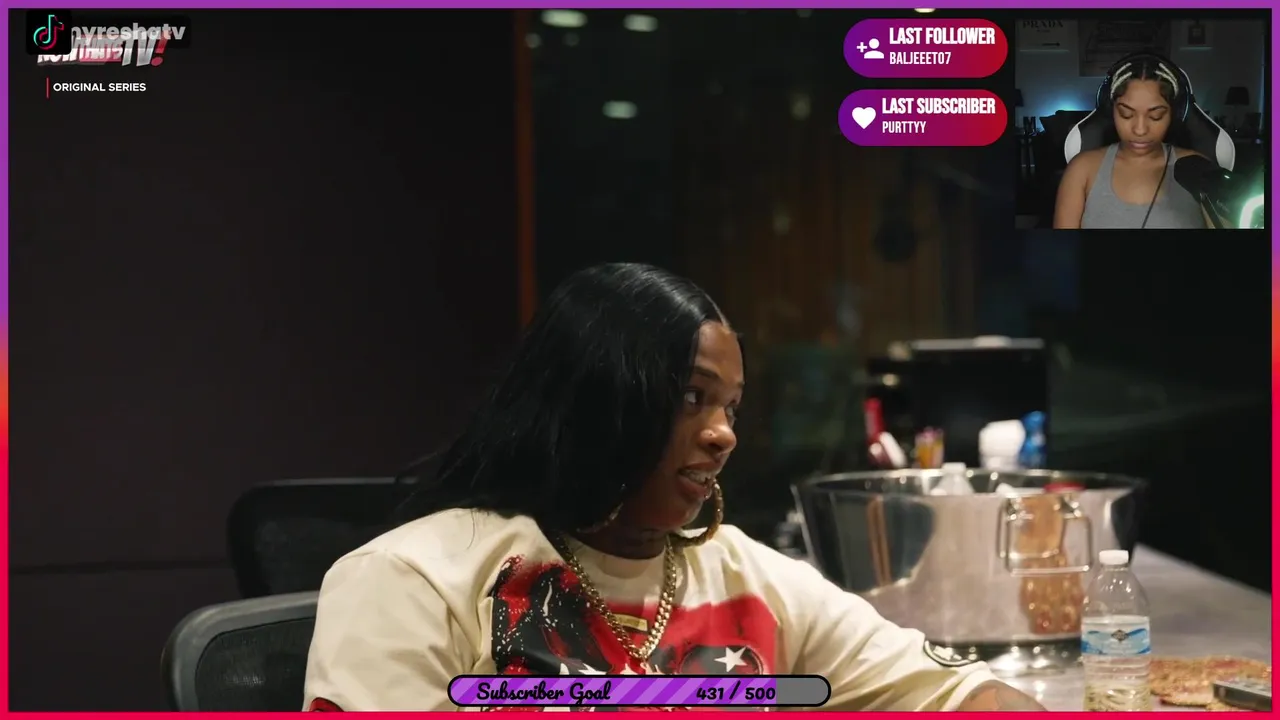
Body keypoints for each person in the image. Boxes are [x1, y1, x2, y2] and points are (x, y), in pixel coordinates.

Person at [302, 263, 1047, 712]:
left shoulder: (751, 578)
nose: (723, 434)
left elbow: (960, 694)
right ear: (596, 402)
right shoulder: (410, 580)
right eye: (691, 397)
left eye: (731, 408)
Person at [1054, 55, 1209, 229]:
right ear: (1111, 111)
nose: (1140, 130)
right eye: (1126, 114)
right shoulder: (1081, 170)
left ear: (1174, 114)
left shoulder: (1199, 169)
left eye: (1156, 116)